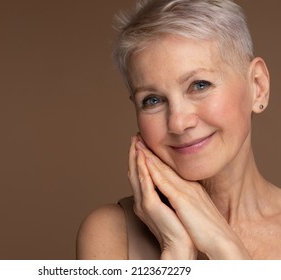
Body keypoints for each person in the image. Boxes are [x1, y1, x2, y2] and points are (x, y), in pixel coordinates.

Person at [76, 0, 281, 260]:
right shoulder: (112, 233)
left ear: (257, 86)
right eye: (152, 100)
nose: (178, 122)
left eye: (199, 85)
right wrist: (176, 252)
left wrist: (227, 251)